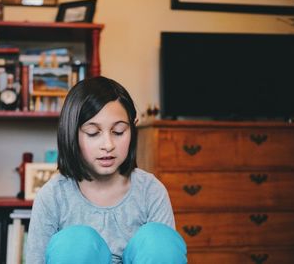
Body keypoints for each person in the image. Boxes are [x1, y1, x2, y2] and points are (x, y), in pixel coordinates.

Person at [26, 76, 187, 264]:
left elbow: (163, 254)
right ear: (72, 133)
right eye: (93, 133)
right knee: (76, 244)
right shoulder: (53, 195)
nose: (108, 145)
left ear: (132, 130)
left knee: (159, 240)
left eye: (118, 132)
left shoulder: (150, 190)